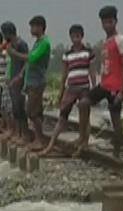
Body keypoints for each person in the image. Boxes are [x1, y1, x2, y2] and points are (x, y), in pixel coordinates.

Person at [40, 24, 95, 157]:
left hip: (84, 88)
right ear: (70, 37)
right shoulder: (67, 55)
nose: (76, 39)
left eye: (78, 36)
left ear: (82, 36)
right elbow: (64, 74)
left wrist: (94, 88)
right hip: (71, 88)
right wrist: (60, 92)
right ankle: (51, 145)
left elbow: (92, 72)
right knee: (62, 116)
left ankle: (84, 144)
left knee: (85, 117)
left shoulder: (88, 52)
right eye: (73, 36)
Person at [85, 5, 123, 158]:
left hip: (116, 87)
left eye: (110, 22)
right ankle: (84, 138)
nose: (107, 25)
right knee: (83, 103)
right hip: (104, 84)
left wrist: (122, 92)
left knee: (115, 118)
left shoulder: (121, 40)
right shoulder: (106, 42)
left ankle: (117, 153)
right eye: (104, 22)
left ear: (115, 21)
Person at [8, 15, 51, 151]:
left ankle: (40, 140)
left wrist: (14, 53)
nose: (31, 29)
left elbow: (31, 58)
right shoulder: (38, 42)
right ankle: (38, 138)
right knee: (34, 111)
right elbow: (28, 63)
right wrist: (20, 76)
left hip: (37, 81)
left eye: (33, 26)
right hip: (31, 81)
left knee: (32, 112)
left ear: (40, 27)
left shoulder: (45, 43)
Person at [2, 21, 30, 145]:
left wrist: (20, 75)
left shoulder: (21, 44)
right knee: (15, 109)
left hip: (19, 80)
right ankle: (18, 133)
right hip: (12, 80)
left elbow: (27, 61)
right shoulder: (10, 45)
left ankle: (25, 135)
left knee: (20, 108)